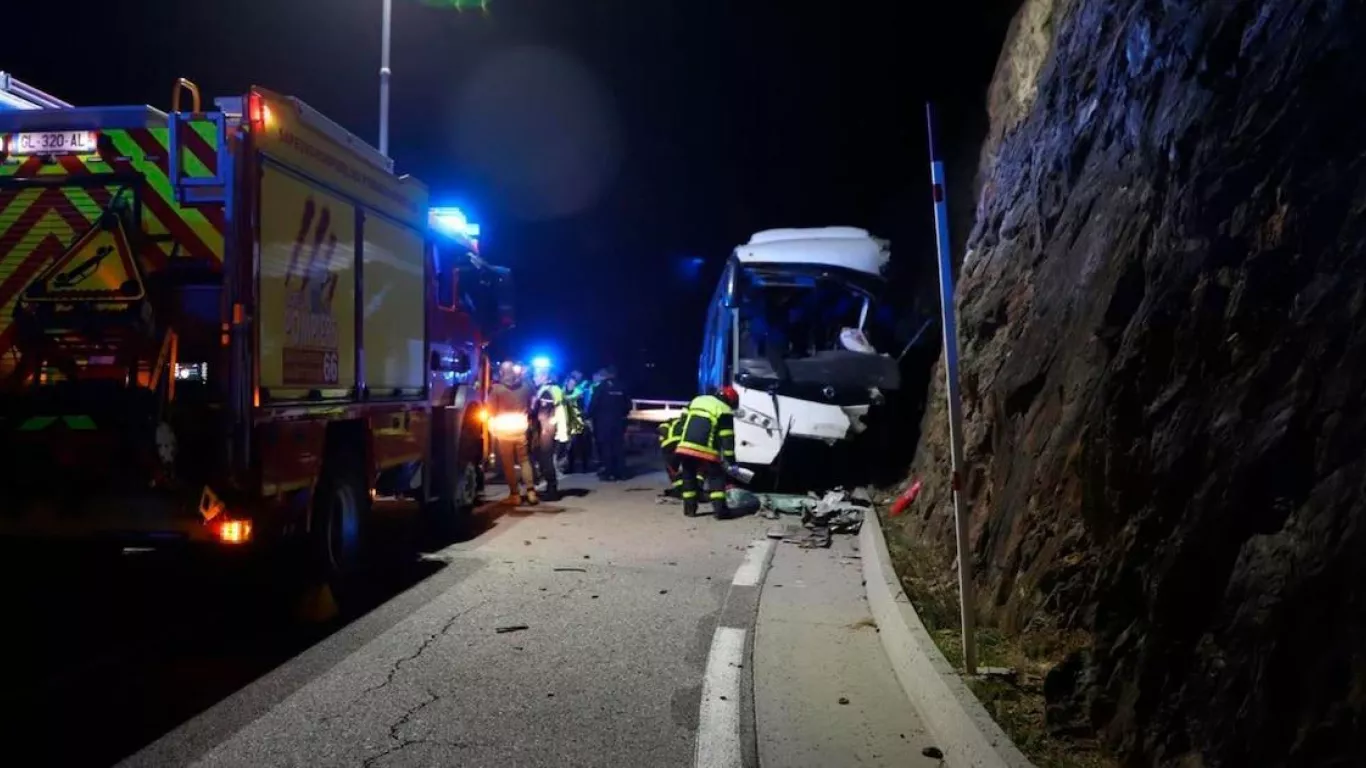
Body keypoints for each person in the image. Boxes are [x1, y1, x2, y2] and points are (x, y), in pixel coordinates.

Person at [674, 385, 739, 518]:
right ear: (730, 400)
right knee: (716, 476)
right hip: (707, 448)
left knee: (688, 476)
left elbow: (682, 422)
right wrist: (731, 462)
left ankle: (689, 510)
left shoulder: (697, 400)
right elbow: (727, 438)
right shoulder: (724, 409)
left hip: (685, 446)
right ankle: (720, 511)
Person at [487, 361, 537, 505]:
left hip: (503, 431)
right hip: (520, 428)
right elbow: (533, 403)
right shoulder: (525, 386)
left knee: (508, 463)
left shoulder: (496, 389)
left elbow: (491, 411)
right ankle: (531, 491)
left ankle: (514, 495)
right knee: (524, 460)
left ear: (502, 372)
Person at [530, 366, 569, 500]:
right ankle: (551, 488)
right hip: (551, 427)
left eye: (536, 376)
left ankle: (552, 491)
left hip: (547, 429)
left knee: (545, 460)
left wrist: (533, 408)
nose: (534, 378)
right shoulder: (554, 389)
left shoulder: (547, 391)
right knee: (545, 459)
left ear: (544, 377)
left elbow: (543, 413)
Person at [587, 366, 630, 481]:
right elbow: (628, 406)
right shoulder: (623, 387)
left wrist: (588, 416)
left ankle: (608, 472)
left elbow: (593, 405)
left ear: (605, 375)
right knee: (618, 447)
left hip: (603, 423)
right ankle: (621, 472)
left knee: (606, 447)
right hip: (619, 422)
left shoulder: (600, 387)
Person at [562, 371, 592, 473]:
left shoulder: (578, 393)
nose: (571, 385)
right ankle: (570, 466)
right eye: (570, 383)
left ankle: (585, 466)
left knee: (580, 444)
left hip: (577, 420)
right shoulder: (562, 392)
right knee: (570, 446)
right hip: (566, 421)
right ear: (566, 383)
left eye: (573, 384)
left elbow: (582, 406)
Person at [657, 415, 684, 498]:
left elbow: (661, 440)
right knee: (687, 466)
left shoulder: (663, 426)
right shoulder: (681, 423)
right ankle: (689, 487)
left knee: (671, 468)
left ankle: (679, 488)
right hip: (681, 444)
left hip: (667, 447)